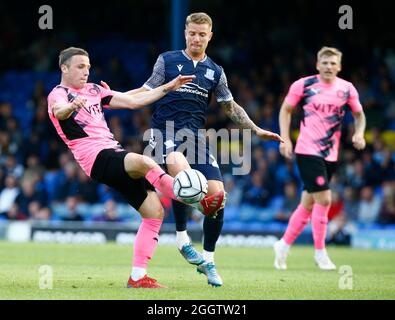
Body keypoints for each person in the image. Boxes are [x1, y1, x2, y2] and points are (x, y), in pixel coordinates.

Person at [104, 12, 283, 286]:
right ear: (186, 33)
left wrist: (256, 129)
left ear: (210, 36)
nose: (196, 38)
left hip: (196, 139)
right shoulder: (168, 60)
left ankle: (208, 260)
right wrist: (113, 97)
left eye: (202, 34)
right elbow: (145, 89)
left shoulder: (215, 71)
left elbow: (230, 107)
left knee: (218, 196)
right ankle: (181, 237)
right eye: (192, 33)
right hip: (163, 133)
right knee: (181, 171)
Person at [47, 47, 221, 289]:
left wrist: (168, 87)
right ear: (64, 68)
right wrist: (72, 106)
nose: (86, 71)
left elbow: (133, 100)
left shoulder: (95, 90)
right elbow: (59, 111)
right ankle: (198, 202)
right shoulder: (59, 94)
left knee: (154, 212)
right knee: (144, 161)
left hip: (111, 152)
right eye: (79, 66)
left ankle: (138, 277)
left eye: (88, 66)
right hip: (94, 156)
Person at [274, 46, 366, 270]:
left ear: (339, 66)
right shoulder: (303, 85)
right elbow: (285, 110)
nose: (329, 66)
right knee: (325, 199)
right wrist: (285, 138)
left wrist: (359, 132)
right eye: (325, 63)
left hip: (331, 154)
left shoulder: (347, 89)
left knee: (308, 203)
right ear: (317, 65)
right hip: (307, 150)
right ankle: (320, 252)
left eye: (333, 63)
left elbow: (359, 115)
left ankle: (283, 245)